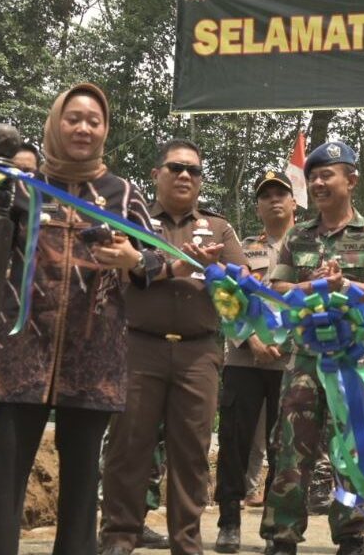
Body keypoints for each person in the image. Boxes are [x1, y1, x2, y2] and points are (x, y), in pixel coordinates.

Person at [0, 83, 166, 555]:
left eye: (94, 120)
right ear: (55, 123)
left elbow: (158, 262)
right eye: (73, 118)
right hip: (21, 349)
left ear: (105, 130)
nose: (83, 128)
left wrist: (132, 259)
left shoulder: (122, 192)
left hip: (94, 356)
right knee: (5, 475)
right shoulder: (20, 186)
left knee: (80, 481)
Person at [100, 139, 246, 555]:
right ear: (156, 174)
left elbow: (243, 285)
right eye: (176, 167)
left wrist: (216, 268)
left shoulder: (220, 228)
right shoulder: (135, 223)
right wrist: (175, 266)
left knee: (193, 452)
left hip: (199, 354)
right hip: (138, 347)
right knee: (129, 446)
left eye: (193, 171)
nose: (185, 175)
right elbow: (123, 273)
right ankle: (119, 535)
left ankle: (186, 541)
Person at [260, 141, 364, 555]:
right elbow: (276, 288)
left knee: (353, 444)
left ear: (351, 180)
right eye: (313, 176)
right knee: (291, 445)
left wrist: (347, 287)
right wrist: (311, 285)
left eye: (326, 175)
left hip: (353, 361)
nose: (317, 182)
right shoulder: (298, 236)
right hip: (305, 358)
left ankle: (354, 533)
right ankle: (281, 535)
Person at [215, 170, 295, 553]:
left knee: (286, 445)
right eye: (266, 196)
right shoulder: (242, 249)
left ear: (295, 202)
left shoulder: (310, 246)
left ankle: (276, 527)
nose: (274, 200)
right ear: (258, 206)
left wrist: (286, 342)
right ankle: (228, 521)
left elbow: (319, 303)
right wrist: (251, 340)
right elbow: (228, 301)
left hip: (292, 362)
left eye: (281, 194)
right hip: (244, 360)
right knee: (234, 441)